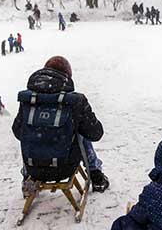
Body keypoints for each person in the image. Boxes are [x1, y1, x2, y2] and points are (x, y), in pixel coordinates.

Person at [12, 56, 110, 191]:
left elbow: (17, 131)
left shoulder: (29, 100)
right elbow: (95, 133)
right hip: (65, 166)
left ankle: (27, 177)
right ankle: (95, 174)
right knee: (79, 131)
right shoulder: (75, 101)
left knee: (28, 130)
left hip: (33, 168)